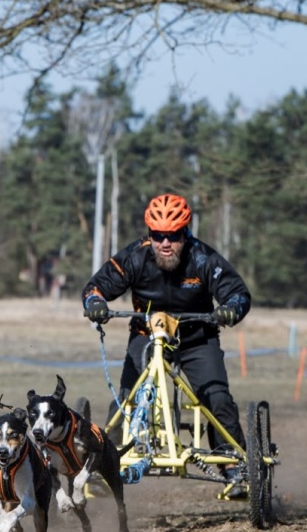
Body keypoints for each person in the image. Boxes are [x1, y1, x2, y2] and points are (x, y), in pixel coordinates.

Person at [81, 193, 251, 495]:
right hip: (147, 336)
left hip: (197, 337)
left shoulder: (203, 259)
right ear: (150, 234)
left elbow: (238, 293)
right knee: (125, 400)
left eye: (173, 236)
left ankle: (232, 465)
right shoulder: (134, 257)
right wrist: (95, 302)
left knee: (216, 398)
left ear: (185, 233)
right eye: (158, 236)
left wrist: (230, 309)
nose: (165, 243)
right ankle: (104, 464)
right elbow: (96, 287)